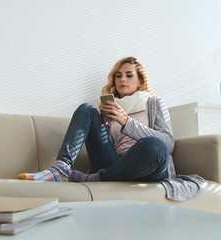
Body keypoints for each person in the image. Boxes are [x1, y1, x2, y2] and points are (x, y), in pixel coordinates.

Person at [18, 57, 206, 200]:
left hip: (147, 167)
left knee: (154, 145)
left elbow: (168, 143)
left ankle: (95, 178)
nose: (122, 79)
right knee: (86, 109)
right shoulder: (110, 107)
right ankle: (61, 169)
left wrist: (126, 122)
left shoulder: (154, 104)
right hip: (115, 164)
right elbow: (107, 146)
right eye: (118, 76)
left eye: (128, 75)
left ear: (140, 80)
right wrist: (105, 123)